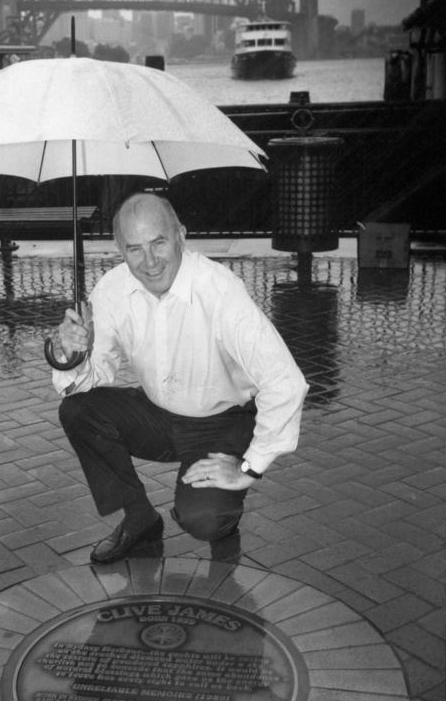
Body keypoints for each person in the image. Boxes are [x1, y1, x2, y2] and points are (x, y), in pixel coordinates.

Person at [52, 193, 308, 564]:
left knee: (203, 519)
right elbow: (91, 377)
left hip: (222, 421)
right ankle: (140, 520)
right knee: (78, 411)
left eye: (159, 242)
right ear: (119, 249)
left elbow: (286, 382)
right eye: (135, 249)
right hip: (158, 412)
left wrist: (249, 467)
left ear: (181, 237)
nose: (150, 261)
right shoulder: (112, 289)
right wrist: (71, 353)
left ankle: (223, 512)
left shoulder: (220, 290)